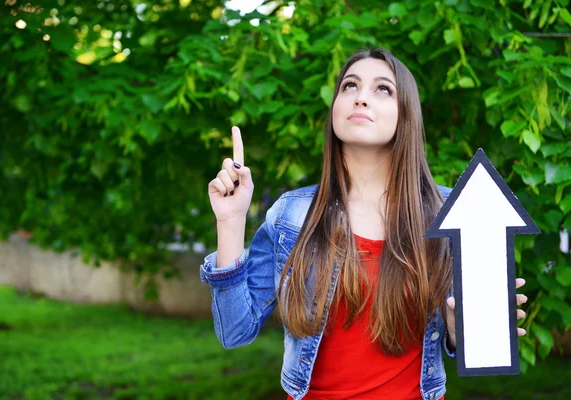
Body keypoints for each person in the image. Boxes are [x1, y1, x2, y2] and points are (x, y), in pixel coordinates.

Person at [200, 47, 528, 400]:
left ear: (406, 115)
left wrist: (458, 331)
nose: (361, 98)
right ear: (335, 110)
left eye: (382, 89)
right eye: (350, 86)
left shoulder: (449, 210)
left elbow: (467, 342)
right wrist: (231, 223)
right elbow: (234, 331)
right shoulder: (291, 216)